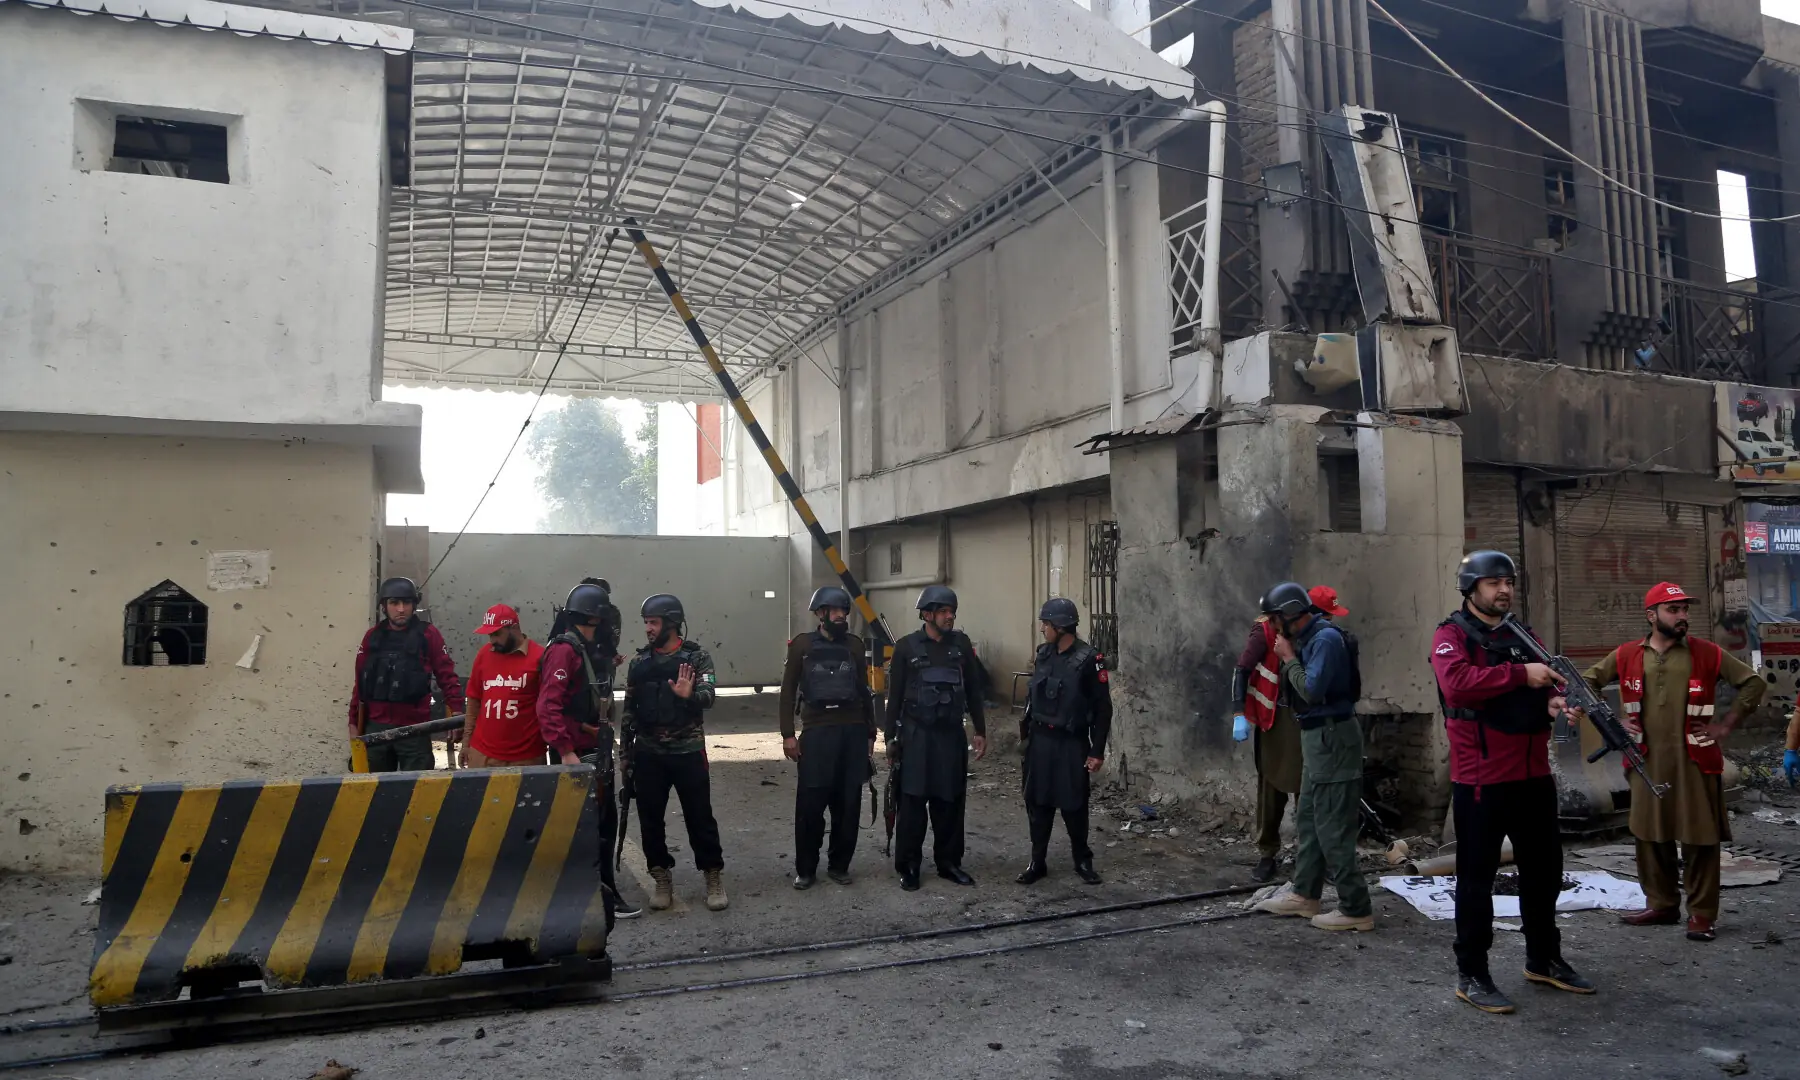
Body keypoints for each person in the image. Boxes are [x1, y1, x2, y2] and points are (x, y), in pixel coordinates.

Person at [1428, 551, 1593, 1014]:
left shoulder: (1522, 634)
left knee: (1544, 875)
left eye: (1508, 582)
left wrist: (1557, 703)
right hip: (1481, 781)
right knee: (1476, 883)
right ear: (1470, 588)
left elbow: (1551, 681)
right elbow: (1458, 684)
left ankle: (1543, 959)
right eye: (1492, 582)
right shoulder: (1451, 636)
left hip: (1533, 775)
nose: (1503, 589)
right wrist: (1522, 673)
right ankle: (1473, 975)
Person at [1581, 582, 1765, 942]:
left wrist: (1725, 724)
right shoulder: (1626, 655)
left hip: (1695, 761)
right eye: (1673, 609)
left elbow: (1754, 684)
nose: (1682, 617)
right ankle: (1662, 904)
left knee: (1700, 839)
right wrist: (1611, 722)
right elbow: (1588, 681)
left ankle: (1701, 914)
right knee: (1650, 837)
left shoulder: (1707, 653)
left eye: (1684, 610)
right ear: (1652, 616)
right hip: (1645, 761)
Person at [1253, 582, 1371, 933]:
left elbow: (1312, 689)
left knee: (1332, 825)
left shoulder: (1324, 640)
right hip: (1316, 737)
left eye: (1274, 621)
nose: (1272, 629)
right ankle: (1305, 893)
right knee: (1308, 818)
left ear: (1288, 617)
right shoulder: (1312, 637)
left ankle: (1356, 907)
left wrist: (1288, 659)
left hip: (1333, 736)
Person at [538, 581, 641, 920]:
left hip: (593, 746)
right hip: (578, 751)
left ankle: (601, 892)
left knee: (603, 824)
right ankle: (598, 898)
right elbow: (548, 706)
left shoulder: (589, 648)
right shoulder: (565, 651)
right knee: (590, 827)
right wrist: (566, 751)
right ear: (595, 618)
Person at [624, 593, 725, 912]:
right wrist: (626, 755)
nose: (648, 629)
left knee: (700, 818)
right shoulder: (639, 663)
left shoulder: (696, 657)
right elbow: (629, 711)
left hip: (688, 751)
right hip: (649, 753)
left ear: (671, 623)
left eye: (653, 623)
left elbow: (709, 697)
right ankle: (661, 878)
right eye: (646, 624)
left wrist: (690, 694)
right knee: (650, 820)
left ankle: (712, 876)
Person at [884, 585, 988, 891]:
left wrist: (980, 731)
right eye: (943, 611)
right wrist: (890, 739)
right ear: (927, 614)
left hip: (951, 737)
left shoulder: (961, 645)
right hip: (916, 737)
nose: (949, 616)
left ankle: (949, 863)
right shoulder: (906, 647)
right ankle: (909, 866)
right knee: (913, 804)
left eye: (951, 611)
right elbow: (895, 696)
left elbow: (973, 691)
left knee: (950, 804)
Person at [779, 586, 877, 889]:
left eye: (843, 611)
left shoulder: (855, 646)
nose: (840, 615)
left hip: (853, 732)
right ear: (820, 613)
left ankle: (839, 865)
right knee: (810, 804)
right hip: (817, 732)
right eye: (834, 610)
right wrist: (788, 735)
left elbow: (864, 691)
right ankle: (806, 869)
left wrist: (871, 732)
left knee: (848, 804)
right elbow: (787, 690)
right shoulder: (802, 646)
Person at [1016, 598, 1111, 886]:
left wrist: (1096, 751)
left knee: (1074, 805)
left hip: (1071, 742)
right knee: (1038, 803)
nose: (1042, 628)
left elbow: (1103, 709)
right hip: (1040, 741)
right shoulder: (1044, 654)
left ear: (1060, 626)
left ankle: (1082, 859)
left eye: (1046, 623)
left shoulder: (1089, 660)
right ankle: (1037, 861)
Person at [348, 577, 464, 772]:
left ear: (414, 605)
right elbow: (360, 685)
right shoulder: (372, 637)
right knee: (373, 793)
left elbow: (447, 677)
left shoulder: (428, 635)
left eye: (406, 603)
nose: (401, 609)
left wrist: (457, 713)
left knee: (418, 792)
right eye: (394, 603)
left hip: (416, 729)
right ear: (384, 606)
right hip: (376, 729)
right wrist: (353, 722)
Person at [1230, 597, 1302, 884]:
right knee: (1271, 786)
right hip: (1275, 717)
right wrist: (1238, 712)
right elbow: (1242, 669)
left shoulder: (1307, 631)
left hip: (1304, 716)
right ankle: (1267, 853)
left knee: (1307, 789)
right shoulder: (1263, 633)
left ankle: (1312, 855)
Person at [460, 604, 548, 767]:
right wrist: (466, 744)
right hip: (482, 755)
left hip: (526, 759)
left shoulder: (540, 658)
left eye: (497, 634)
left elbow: (550, 706)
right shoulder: (484, 655)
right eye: (490, 635)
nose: (492, 640)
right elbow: (474, 702)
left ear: (514, 628)